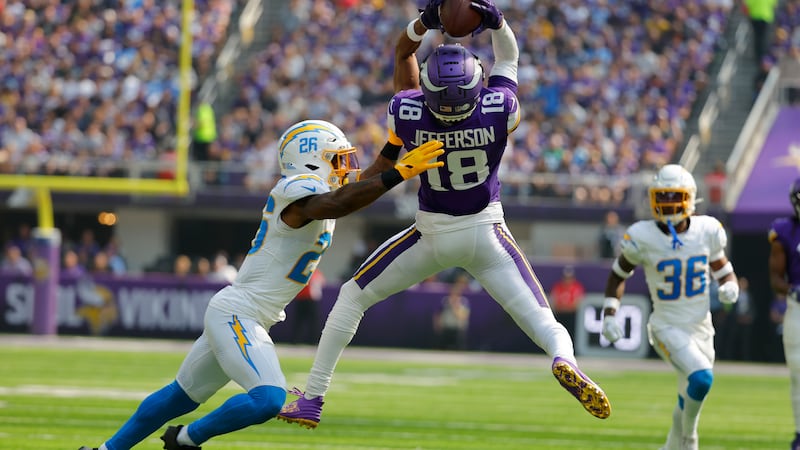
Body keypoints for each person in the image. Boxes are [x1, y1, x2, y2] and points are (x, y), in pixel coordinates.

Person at [277, 0, 611, 430]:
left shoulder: (409, 113)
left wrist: (424, 20)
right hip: (488, 232)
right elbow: (508, 56)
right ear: (477, 82)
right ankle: (565, 360)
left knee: (352, 298)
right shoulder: (498, 110)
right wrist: (497, 21)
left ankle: (313, 396)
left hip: (430, 234)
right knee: (543, 321)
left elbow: (403, 54)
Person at [77, 119, 444, 450]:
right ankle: (186, 440)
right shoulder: (296, 188)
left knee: (180, 397)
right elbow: (337, 203)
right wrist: (398, 174)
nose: (344, 167)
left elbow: (359, 185)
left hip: (245, 312)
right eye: (337, 158)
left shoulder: (318, 188)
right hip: (240, 312)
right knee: (268, 398)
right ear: (312, 158)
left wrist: (394, 144)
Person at [601, 164, 739, 450]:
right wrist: (610, 312)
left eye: (672, 196)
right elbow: (618, 273)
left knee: (687, 394)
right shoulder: (642, 235)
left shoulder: (706, 230)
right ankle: (690, 440)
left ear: (689, 198)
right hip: (666, 326)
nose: (666, 203)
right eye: (661, 197)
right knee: (701, 379)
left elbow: (722, 267)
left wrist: (729, 285)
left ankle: (670, 446)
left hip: (701, 328)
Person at [767, 177, 800, 450]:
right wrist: (793, 289)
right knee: (799, 373)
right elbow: (775, 277)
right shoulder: (785, 231)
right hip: (798, 308)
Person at [433, 272, 472, 350]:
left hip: (457, 330)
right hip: (446, 329)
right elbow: (438, 314)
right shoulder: (445, 301)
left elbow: (463, 316)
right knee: (441, 349)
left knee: (458, 349)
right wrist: (437, 324)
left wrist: (455, 306)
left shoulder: (464, 302)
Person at [549, 265, 585, 339]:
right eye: (566, 278)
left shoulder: (577, 287)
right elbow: (554, 304)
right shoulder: (557, 287)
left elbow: (576, 305)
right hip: (560, 315)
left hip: (572, 316)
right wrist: (565, 307)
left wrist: (564, 307)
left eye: (569, 278)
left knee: (572, 334)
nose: (567, 280)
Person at [291, 269, 326, 345]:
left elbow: (322, 282)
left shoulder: (316, 273)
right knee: (299, 321)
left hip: (311, 300)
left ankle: (314, 341)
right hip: (302, 299)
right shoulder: (304, 271)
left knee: (313, 322)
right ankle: (296, 340)